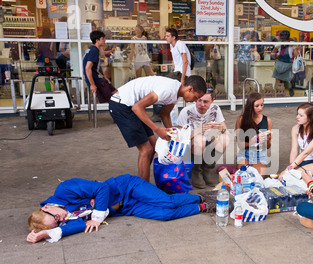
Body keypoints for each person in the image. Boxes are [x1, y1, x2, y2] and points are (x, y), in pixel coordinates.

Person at [26, 174, 216, 243]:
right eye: (58, 223)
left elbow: (102, 187)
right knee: (165, 215)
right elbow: (73, 227)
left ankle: (201, 196)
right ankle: (203, 206)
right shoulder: (61, 217)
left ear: (48, 207)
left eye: (57, 218)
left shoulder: (64, 189)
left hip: (126, 186)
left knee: (167, 202)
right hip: (126, 207)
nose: (63, 219)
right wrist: (46, 234)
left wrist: (97, 217)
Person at [108, 75, 206, 182]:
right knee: (146, 150)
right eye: (196, 97)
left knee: (154, 146)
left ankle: (142, 182)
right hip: (121, 105)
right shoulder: (169, 89)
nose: (195, 101)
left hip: (132, 106)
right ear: (190, 89)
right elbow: (137, 108)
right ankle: (143, 190)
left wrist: (173, 136)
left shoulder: (177, 94)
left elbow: (165, 114)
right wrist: (157, 129)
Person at [176, 88, 229, 188]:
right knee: (200, 139)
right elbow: (179, 137)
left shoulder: (215, 109)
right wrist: (198, 130)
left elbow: (225, 131)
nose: (202, 104)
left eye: (206, 102)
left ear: (212, 101)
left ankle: (208, 169)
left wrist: (220, 129)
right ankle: (196, 171)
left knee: (225, 138)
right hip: (191, 148)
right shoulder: (186, 111)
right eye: (199, 100)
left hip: (208, 145)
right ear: (195, 99)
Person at [279, 103, 313, 181]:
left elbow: (306, 153)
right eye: (297, 114)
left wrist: (289, 170)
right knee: (287, 176)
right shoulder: (295, 128)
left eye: (301, 115)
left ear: (310, 118)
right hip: (301, 161)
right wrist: (291, 167)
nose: (297, 117)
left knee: (293, 175)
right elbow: (294, 150)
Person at [235, 92, 272, 176]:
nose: (260, 108)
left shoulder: (267, 120)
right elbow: (240, 145)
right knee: (244, 176)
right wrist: (254, 140)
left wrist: (268, 140)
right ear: (250, 106)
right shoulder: (241, 119)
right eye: (257, 106)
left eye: (262, 105)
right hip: (244, 153)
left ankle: (263, 166)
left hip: (260, 155)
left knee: (256, 178)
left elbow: (268, 146)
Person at [82, 30, 117, 103]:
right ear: (97, 40)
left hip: (98, 78)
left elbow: (94, 69)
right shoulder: (94, 51)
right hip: (96, 80)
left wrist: (104, 77)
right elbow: (87, 68)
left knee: (114, 91)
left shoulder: (92, 49)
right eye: (102, 39)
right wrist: (92, 84)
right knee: (111, 97)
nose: (105, 40)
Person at [271, 30, 297, 96]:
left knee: (277, 79)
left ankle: (276, 93)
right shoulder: (292, 43)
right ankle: (290, 88)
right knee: (288, 79)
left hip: (279, 63)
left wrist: (276, 57)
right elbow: (296, 54)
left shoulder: (278, 44)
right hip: (288, 63)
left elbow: (272, 54)